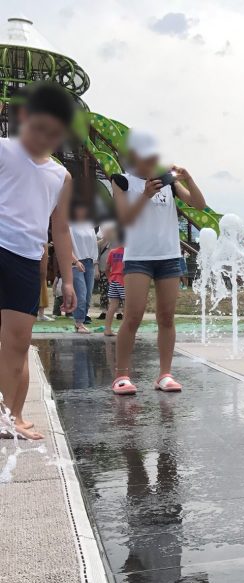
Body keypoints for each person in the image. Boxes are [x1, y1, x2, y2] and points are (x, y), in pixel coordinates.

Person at [0, 83, 77, 440]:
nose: (44, 138)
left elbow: (60, 230)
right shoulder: (3, 151)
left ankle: (9, 417)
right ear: (24, 117)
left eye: (54, 134)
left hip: (26, 260)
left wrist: (70, 281)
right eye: (39, 128)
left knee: (17, 342)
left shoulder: (61, 176)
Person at [111, 130, 206, 395]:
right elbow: (124, 220)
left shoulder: (169, 183)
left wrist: (188, 179)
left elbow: (199, 205)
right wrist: (144, 195)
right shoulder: (122, 181)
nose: (152, 164)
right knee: (133, 315)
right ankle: (121, 375)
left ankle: (165, 374)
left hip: (168, 255)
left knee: (166, 317)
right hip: (139, 256)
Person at [69, 201, 101, 333]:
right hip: (76, 262)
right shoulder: (70, 225)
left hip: (89, 262)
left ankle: (81, 321)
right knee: (81, 294)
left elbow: (94, 245)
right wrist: (76, 261)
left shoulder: (89, 225)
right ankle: (79, 323)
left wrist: (96, 263)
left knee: (88, 296)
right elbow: (65, 246)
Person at [103, 242, 125, 337]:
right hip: (124, 281)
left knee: (112, 306)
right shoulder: (129, 252)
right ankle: (126, 331)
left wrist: (110, 279)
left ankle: (107, 329)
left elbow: (107, 268)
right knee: (127, 307)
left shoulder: (112, 252)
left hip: (113, 280)